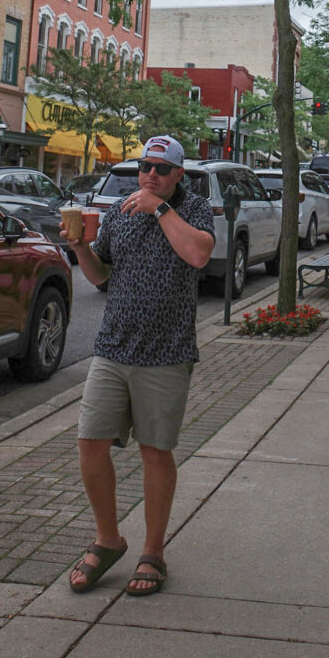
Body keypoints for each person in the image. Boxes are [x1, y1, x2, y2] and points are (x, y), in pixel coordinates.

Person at [62, 135, 215, 597]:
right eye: (145, 167)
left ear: (178, 175)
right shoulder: (118, 213)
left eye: (161, 169)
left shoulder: (195, 209)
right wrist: (80, 247)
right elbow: (101, 276)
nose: (150, 175)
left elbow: (199, 254)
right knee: (90, 443)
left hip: (166, 353)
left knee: (155, 451)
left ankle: (153, 552)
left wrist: (159, 210)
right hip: (112, 347)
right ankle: (108, 540)